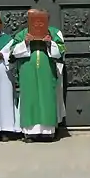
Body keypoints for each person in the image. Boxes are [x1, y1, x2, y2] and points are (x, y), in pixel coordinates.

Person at [10, 9, 66, 142]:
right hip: (27, 70)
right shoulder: (22, 33)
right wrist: (25, 43)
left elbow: (61, 51)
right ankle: (30, 133)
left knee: (46, 97)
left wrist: (50, 43)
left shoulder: (53, 32)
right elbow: (12, 52)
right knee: (30, 99)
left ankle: (48, 132)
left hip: (47, 71)